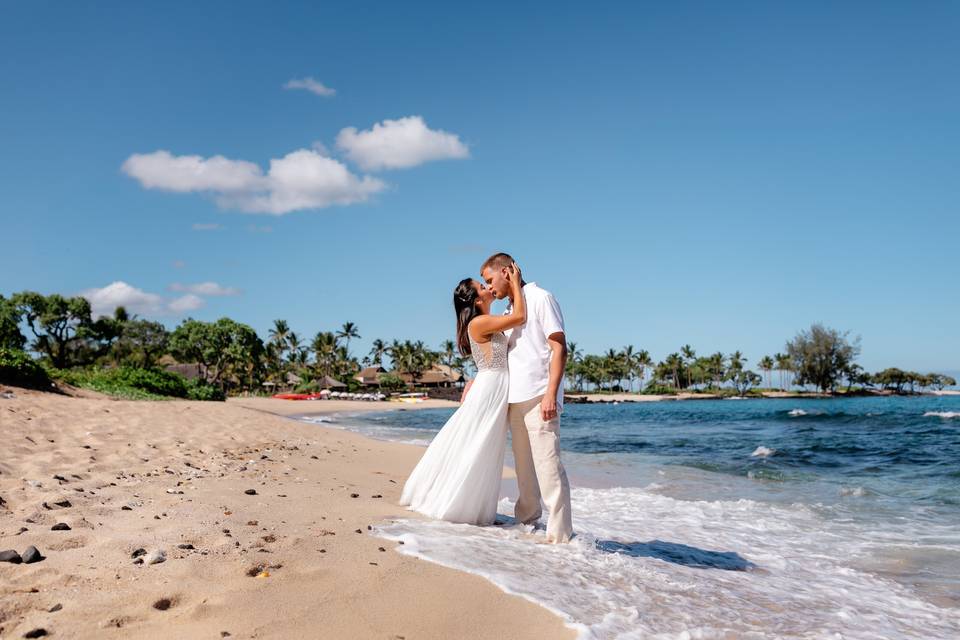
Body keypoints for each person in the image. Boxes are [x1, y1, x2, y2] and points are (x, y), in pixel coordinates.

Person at [399, 263, 526, 525]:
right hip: (492, 386)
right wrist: (515, 282)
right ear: (477, 299)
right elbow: (520, 317)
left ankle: (475, 506)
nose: (488, 287)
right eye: (482, 286)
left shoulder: (486, 321)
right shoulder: (480, 322)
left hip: (492, 384)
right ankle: (459, 504)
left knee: (482, 442)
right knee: (477, 442)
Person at [480, 252, 573, 543]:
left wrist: (550, 394)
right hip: (514, 400)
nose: (489, 288)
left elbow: (559, 348)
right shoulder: (510, 311)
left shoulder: (541, 297)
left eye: (489, 280)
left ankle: (561, 536)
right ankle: (527, 524)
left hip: (538, 396)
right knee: (524, 471)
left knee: (548, 467)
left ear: (506, 271)